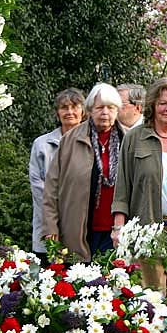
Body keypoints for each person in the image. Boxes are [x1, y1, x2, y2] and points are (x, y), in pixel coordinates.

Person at [111, 78, 167, 307]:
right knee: (150, 301)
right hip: (146, 230)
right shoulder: (135, 138)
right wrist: (119, 226)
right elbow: (123, 185)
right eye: (163, 103)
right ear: (152, 107)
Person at [42, 83, 125, 261]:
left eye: (110, 108)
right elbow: (51, 188)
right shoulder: (71, 140)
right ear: (89, 110)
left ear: (117, 111)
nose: (105, 113)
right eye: (100, 107)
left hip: (118, 230)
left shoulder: (128, 140)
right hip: (78, 228)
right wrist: (50, 227)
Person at [29, 88, 85, 264]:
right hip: (48, 222)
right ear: (57, 112)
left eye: (74, 107)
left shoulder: (92, 142)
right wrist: (58, 210)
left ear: (83, 112)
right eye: (64, 107)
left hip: (81, 223)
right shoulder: (42, 144)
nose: (69, 112)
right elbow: (37, 185)